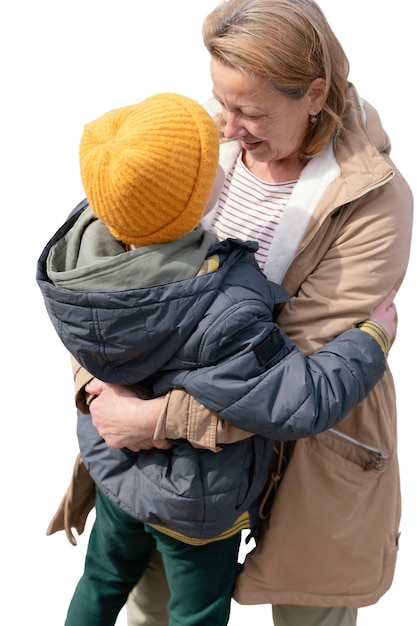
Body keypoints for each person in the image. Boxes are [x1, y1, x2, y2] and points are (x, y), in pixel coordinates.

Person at [83, 1, 412, 625]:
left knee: (307, 614)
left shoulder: (375, 202)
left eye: (251, 111)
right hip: (176, 472)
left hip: (313, 453)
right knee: (153, 610)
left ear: (315, 93)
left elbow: (295, 376)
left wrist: (154, 418)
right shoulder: (197, 145)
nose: (226, 127)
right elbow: (106, 276)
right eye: (221, 101)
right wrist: (95, 388)